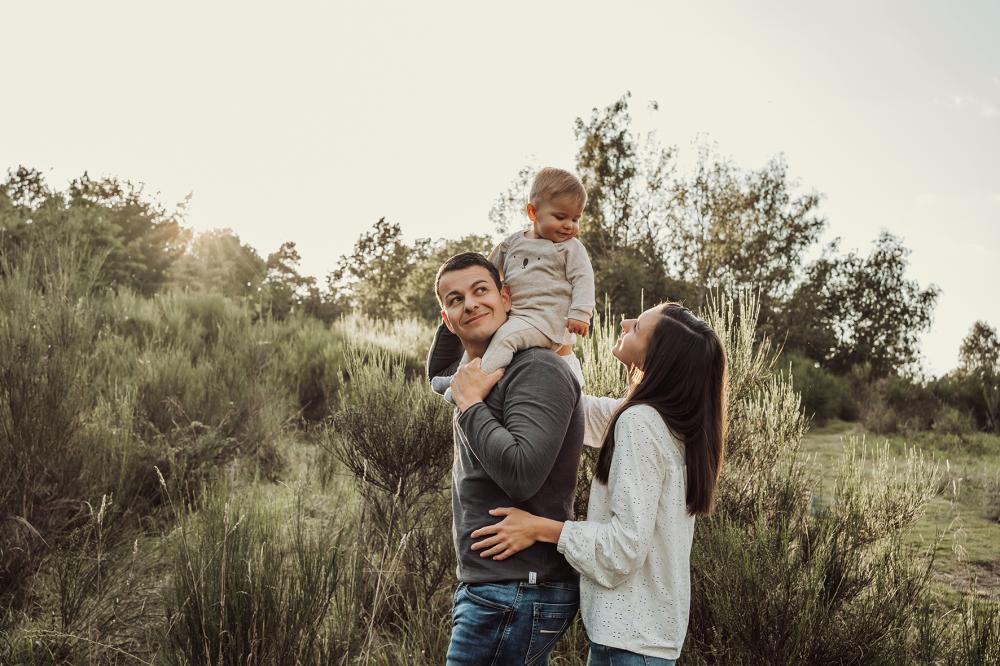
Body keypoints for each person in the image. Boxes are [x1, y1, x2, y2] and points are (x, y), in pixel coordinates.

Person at [460, 304, 728, 665]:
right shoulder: (671, 424)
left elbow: (624, 549)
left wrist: (541, 529)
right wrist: (558, 341)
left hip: (630, 645)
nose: (624, 322)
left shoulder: (641, 423)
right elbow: (571, 408)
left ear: (658, 358)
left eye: (637, 328)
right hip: (641, 639)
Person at [429, 251, 585, 665]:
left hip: (516, 590)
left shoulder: (536, 367)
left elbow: (522, 474)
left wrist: (470, 406)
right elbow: (435, 371)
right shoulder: (477, 373)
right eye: (456, 300)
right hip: (503, 590)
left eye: (481, 291)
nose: (471, 304)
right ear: (445, 318)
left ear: (507, 298)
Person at [432, 167, 595, 401]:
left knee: (505, 338)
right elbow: (487, 271)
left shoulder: (570, 248)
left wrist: (580, 313)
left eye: (575, 219)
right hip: (519, 317)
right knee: (488, 338)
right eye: (560, 217)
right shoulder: (512, 244)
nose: (569, 225)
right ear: (533, 212)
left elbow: (584, 279)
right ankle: (458, 376)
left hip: (546, 321)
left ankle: (472, 387)